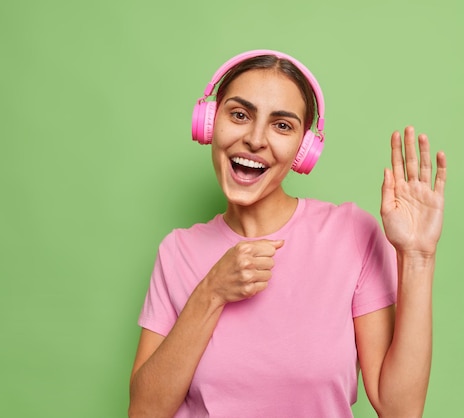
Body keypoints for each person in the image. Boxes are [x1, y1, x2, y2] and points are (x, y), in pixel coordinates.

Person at [128, 50, 447, 418]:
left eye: (282, 125)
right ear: (209, 123)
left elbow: (400, 409)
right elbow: (144, 413)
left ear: (303, 150)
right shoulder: (178, 251)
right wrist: (211, 291)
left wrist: (419, 257)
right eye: (239, 115)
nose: (255, 139)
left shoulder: (351, 235)